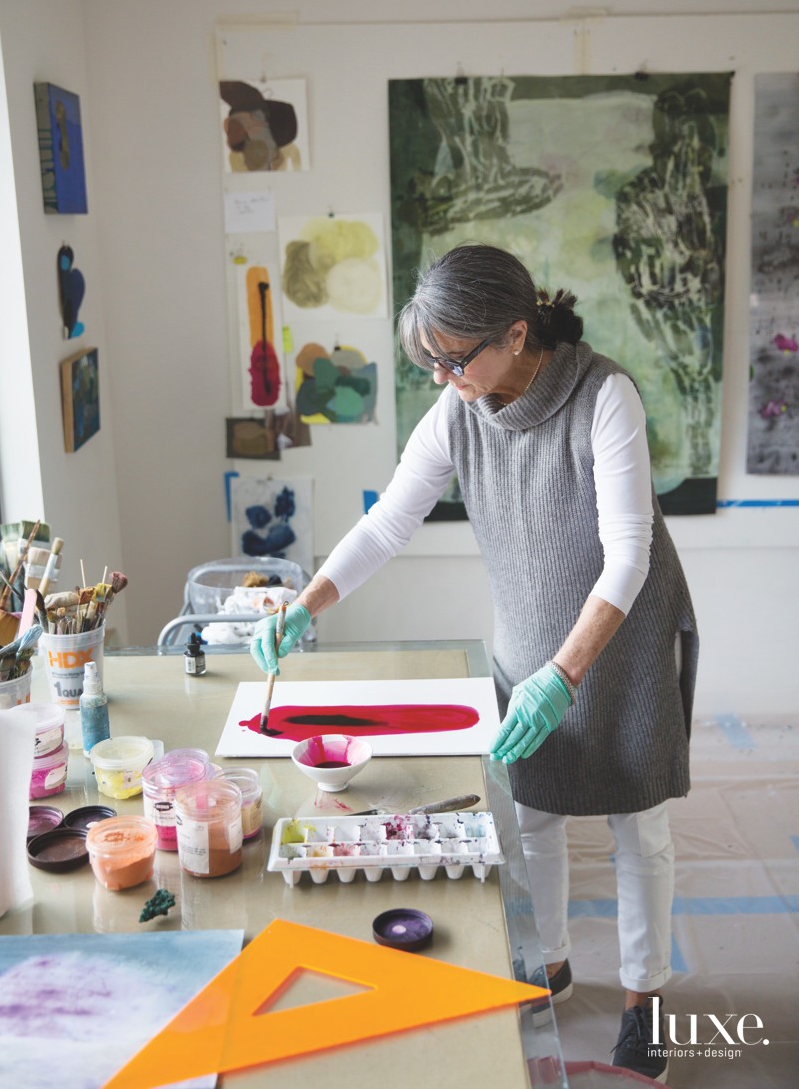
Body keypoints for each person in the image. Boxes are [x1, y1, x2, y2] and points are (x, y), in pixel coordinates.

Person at [250, 243, 698, 1084]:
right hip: (529, 635)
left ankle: (646, 1000)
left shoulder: (606, 397)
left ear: (516, 334)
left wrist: (565, 675)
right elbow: (388, 523)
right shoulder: (457, 410)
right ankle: (551, 962)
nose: (442, 376)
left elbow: (628, 557)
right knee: (534, 811)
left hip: (622, 640)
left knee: (639, 825)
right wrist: (305, 603)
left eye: (454, 359)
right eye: (431, 360)